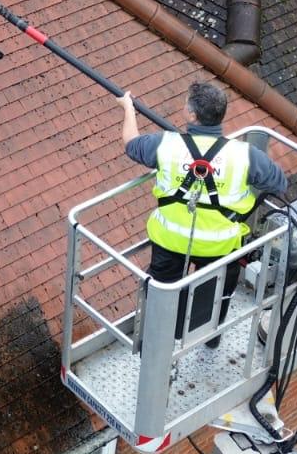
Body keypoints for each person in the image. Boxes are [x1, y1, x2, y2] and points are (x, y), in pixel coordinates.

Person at [118, 81, 287, 346]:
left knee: (162, 289)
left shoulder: (166, 145)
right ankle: (208, 337)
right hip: (220, 244)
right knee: (215, 290)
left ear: (192, 115)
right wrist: (246, 191)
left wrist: (128, 108)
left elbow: (130, 144)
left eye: (186, 103)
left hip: (170, 239)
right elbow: (278, 183)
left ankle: (155, 340)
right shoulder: (244, 155)